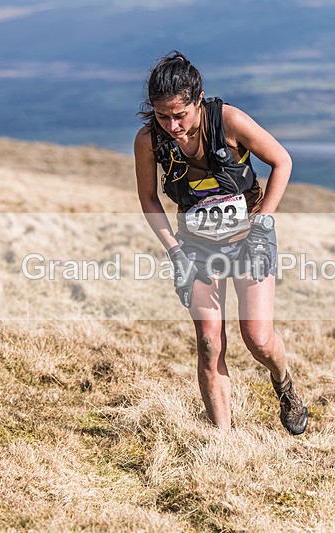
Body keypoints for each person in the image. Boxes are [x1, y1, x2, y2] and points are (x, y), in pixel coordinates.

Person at [134, 51, 308, 434]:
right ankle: (223, 441)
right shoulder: (149, 140)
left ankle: (284, 383)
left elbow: (283, 161)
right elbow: (148, 198)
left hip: (250, 238)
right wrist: (174, 251)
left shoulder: (228, 120)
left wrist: (264, 222)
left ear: (198, 100)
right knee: (210, 342)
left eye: (180, 114)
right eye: (163, 115)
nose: (173, 125)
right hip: (195, 246)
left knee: (258, 339)